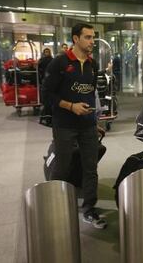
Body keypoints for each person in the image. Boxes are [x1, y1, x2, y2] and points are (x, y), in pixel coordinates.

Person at [42, 23, 107, 229]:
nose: (92, 42)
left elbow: (90, 94)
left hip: (87, 125)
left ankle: (89, 209)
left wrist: (95, 122)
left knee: (91, 168)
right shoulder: (59, 63)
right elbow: (46, 95)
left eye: (93, 38)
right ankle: (54, 206)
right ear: (76, 39)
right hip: (64, 125)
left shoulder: (92, 64)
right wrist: (71, 106)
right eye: (87, 37)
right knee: (63, 167)